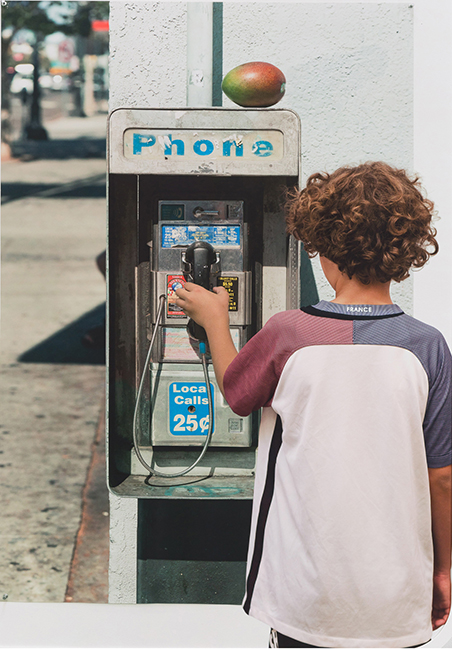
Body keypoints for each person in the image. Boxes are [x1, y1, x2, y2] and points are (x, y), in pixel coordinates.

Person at [175, 161, 452, 648]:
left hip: (304, 590)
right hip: (395, 591)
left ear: (323, 248)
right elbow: (442, 475)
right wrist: (443, 569)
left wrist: (215, 320)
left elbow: (238, 396)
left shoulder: (290, 333)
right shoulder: (427, 346)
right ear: (406, 249)